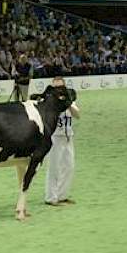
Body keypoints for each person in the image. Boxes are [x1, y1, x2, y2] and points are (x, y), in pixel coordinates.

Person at [44, 77, 80, 206]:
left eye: (60, 87)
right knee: (54, 168)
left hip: (68, 136)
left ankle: (62, 195)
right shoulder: (49, 101)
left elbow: (78, 115)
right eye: (56, 87)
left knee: (69, 166)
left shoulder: (70, 99)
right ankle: (50, 197)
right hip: (55, 138)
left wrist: (69, 103)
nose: (58, 90)